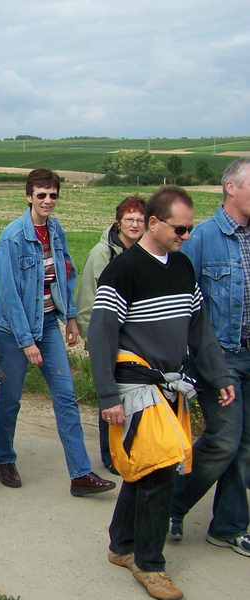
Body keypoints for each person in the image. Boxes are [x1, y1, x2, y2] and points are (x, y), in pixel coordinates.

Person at [88, 185, 234, 600]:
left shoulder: (184, 268)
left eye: (190, 228)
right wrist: (107, 398)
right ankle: (150, 566)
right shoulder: (123, 270)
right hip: (135, 385)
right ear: (154, 222)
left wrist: (219, 376)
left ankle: (121, 544)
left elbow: (199, 329)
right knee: (161, 468)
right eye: (180, 228)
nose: (186, 235)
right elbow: (101, 335)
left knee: (147, 466)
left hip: (170, 385)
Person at [0, 168, 115, 495]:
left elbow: (65, 272)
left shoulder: (55, 230)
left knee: (65, 395)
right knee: (12, 396)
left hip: (46, 324)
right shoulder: (14, 237)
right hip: (14, 330)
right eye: (42, 195)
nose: (48, 201)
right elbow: (7, 293)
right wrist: (26, 341)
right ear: (29, 196)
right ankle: (4, 458)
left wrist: (70, 318)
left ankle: (81, 475)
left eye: (53, 195)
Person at [170, 158, 250, 557]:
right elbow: (184, 304)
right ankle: (172, 502)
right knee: (223, 441)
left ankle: (229, 526)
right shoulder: (202, 239)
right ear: (231, 188)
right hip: (220, 357)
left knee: (245, 445)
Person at [76, 196, 147, 474]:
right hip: (107, 337)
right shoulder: (102, 254)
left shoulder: (146, 252)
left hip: (136, 340)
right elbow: (87, 300)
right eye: (129, 219)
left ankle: (135, 448)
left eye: (140, 220)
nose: (134, 224)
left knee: (136, 396)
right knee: (111, 396)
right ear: (119, 221)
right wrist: (93, 339)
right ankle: (110, 455)